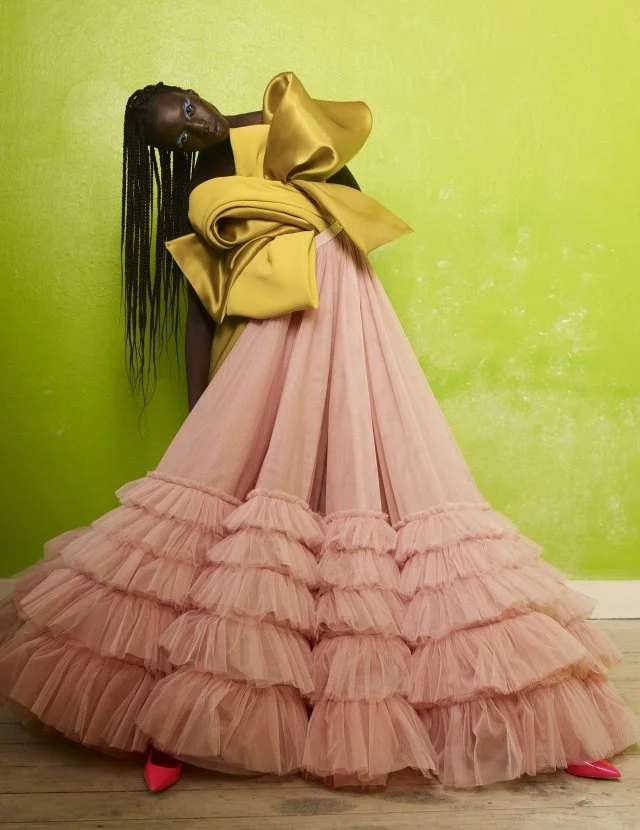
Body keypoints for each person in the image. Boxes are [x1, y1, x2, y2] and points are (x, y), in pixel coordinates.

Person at [0, 72, 638, 794]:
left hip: (353, 316)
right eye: (173, 136)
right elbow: (201, 306)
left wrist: (306, 177)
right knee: (249, 514)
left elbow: (348, 199)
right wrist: (201, 402)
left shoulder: (281, 121)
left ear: (193, 93)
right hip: (273, 337)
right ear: (167, 154)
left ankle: (539, 721)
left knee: (406, 490)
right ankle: (174, 720)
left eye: (186, 108)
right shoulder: (199, 192)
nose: (192, 125)